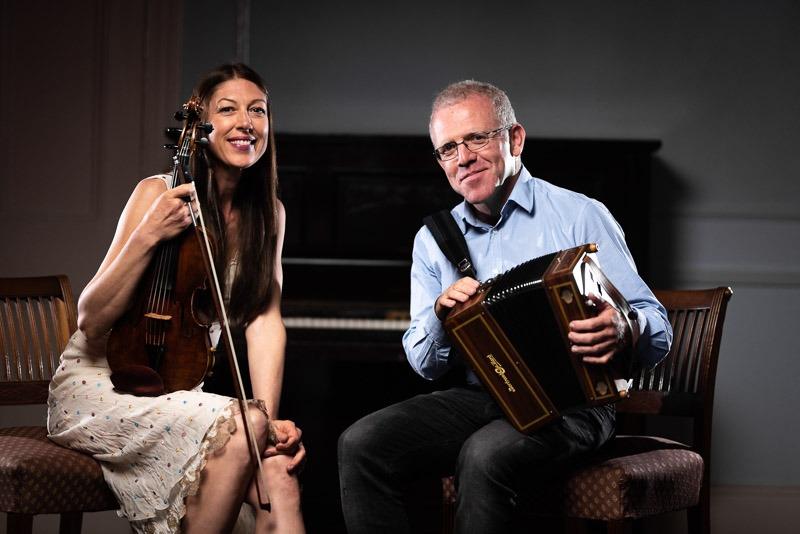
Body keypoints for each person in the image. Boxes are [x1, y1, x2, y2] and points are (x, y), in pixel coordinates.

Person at [337, 80, 673, 533]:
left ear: (514, 138)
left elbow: (658, 327)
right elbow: (424, 364)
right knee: (360, 443)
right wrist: (441, 316)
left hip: (577, 404)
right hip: (485, 394)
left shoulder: (579, 214)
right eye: (448, 148)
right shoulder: (434, 240)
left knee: (484, 454)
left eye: (476, 138)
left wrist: (622, 325)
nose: (463, 157)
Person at [47, 63, 305, 534]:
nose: (246, 122)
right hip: (104, 386)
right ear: (202, 127)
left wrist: (265, 418)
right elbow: (90, 319)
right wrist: (149, 235)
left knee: (279, 475)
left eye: (258, 111)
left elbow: (266, 320)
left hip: (177, 389)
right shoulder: (157, 193)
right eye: (228, 110)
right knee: (242, 433)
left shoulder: (269, 215)